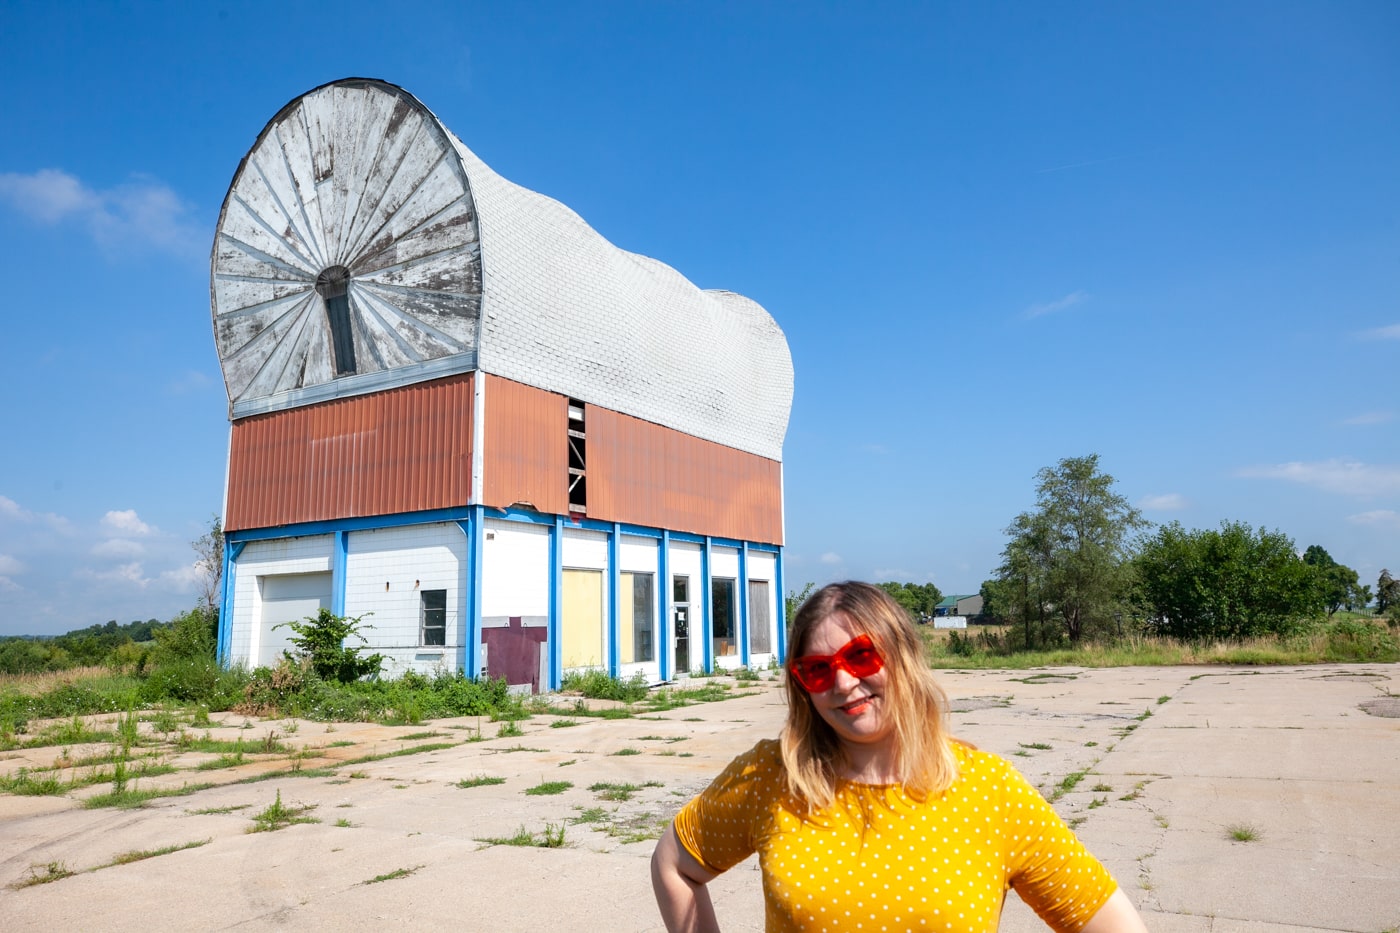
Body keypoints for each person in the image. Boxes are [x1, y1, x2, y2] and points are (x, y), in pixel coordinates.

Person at [652, 581, 1149, 933]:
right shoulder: (772, 776)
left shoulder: (988, 790)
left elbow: (1110, 922)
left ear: (904, 655)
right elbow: (675, 865)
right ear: (802, 686)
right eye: (818, 670)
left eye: (861, 656)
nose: (843, 683)